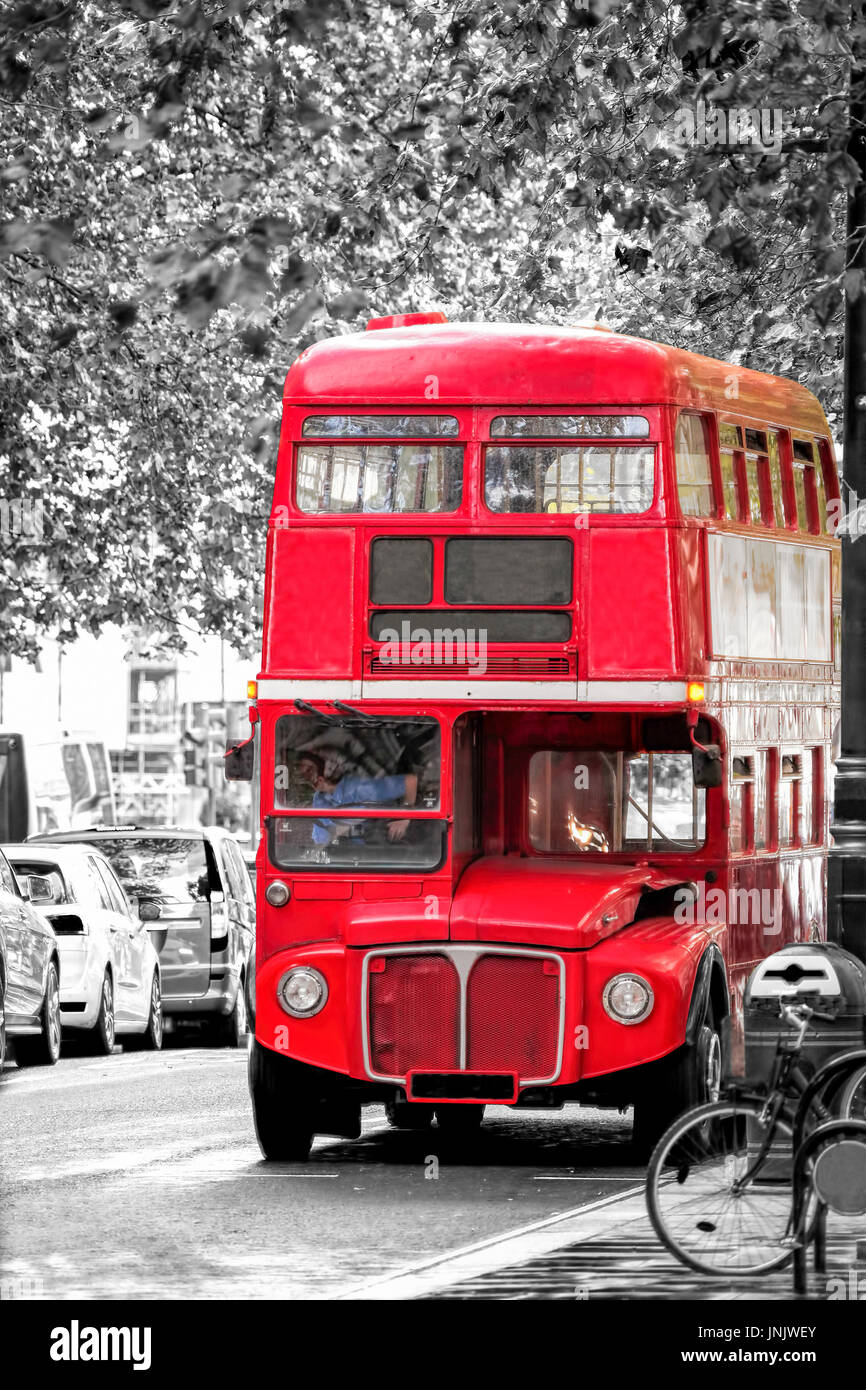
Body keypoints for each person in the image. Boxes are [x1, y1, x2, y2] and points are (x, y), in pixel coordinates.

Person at [295, 753, 418, 845]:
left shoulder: (360, 788)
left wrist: (404, 818)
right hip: (340, 858)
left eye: (310, 770)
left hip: (373, 854)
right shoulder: (319, 799)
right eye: (303, 773)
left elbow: (410, 781)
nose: (308, 777)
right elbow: (321, 838)